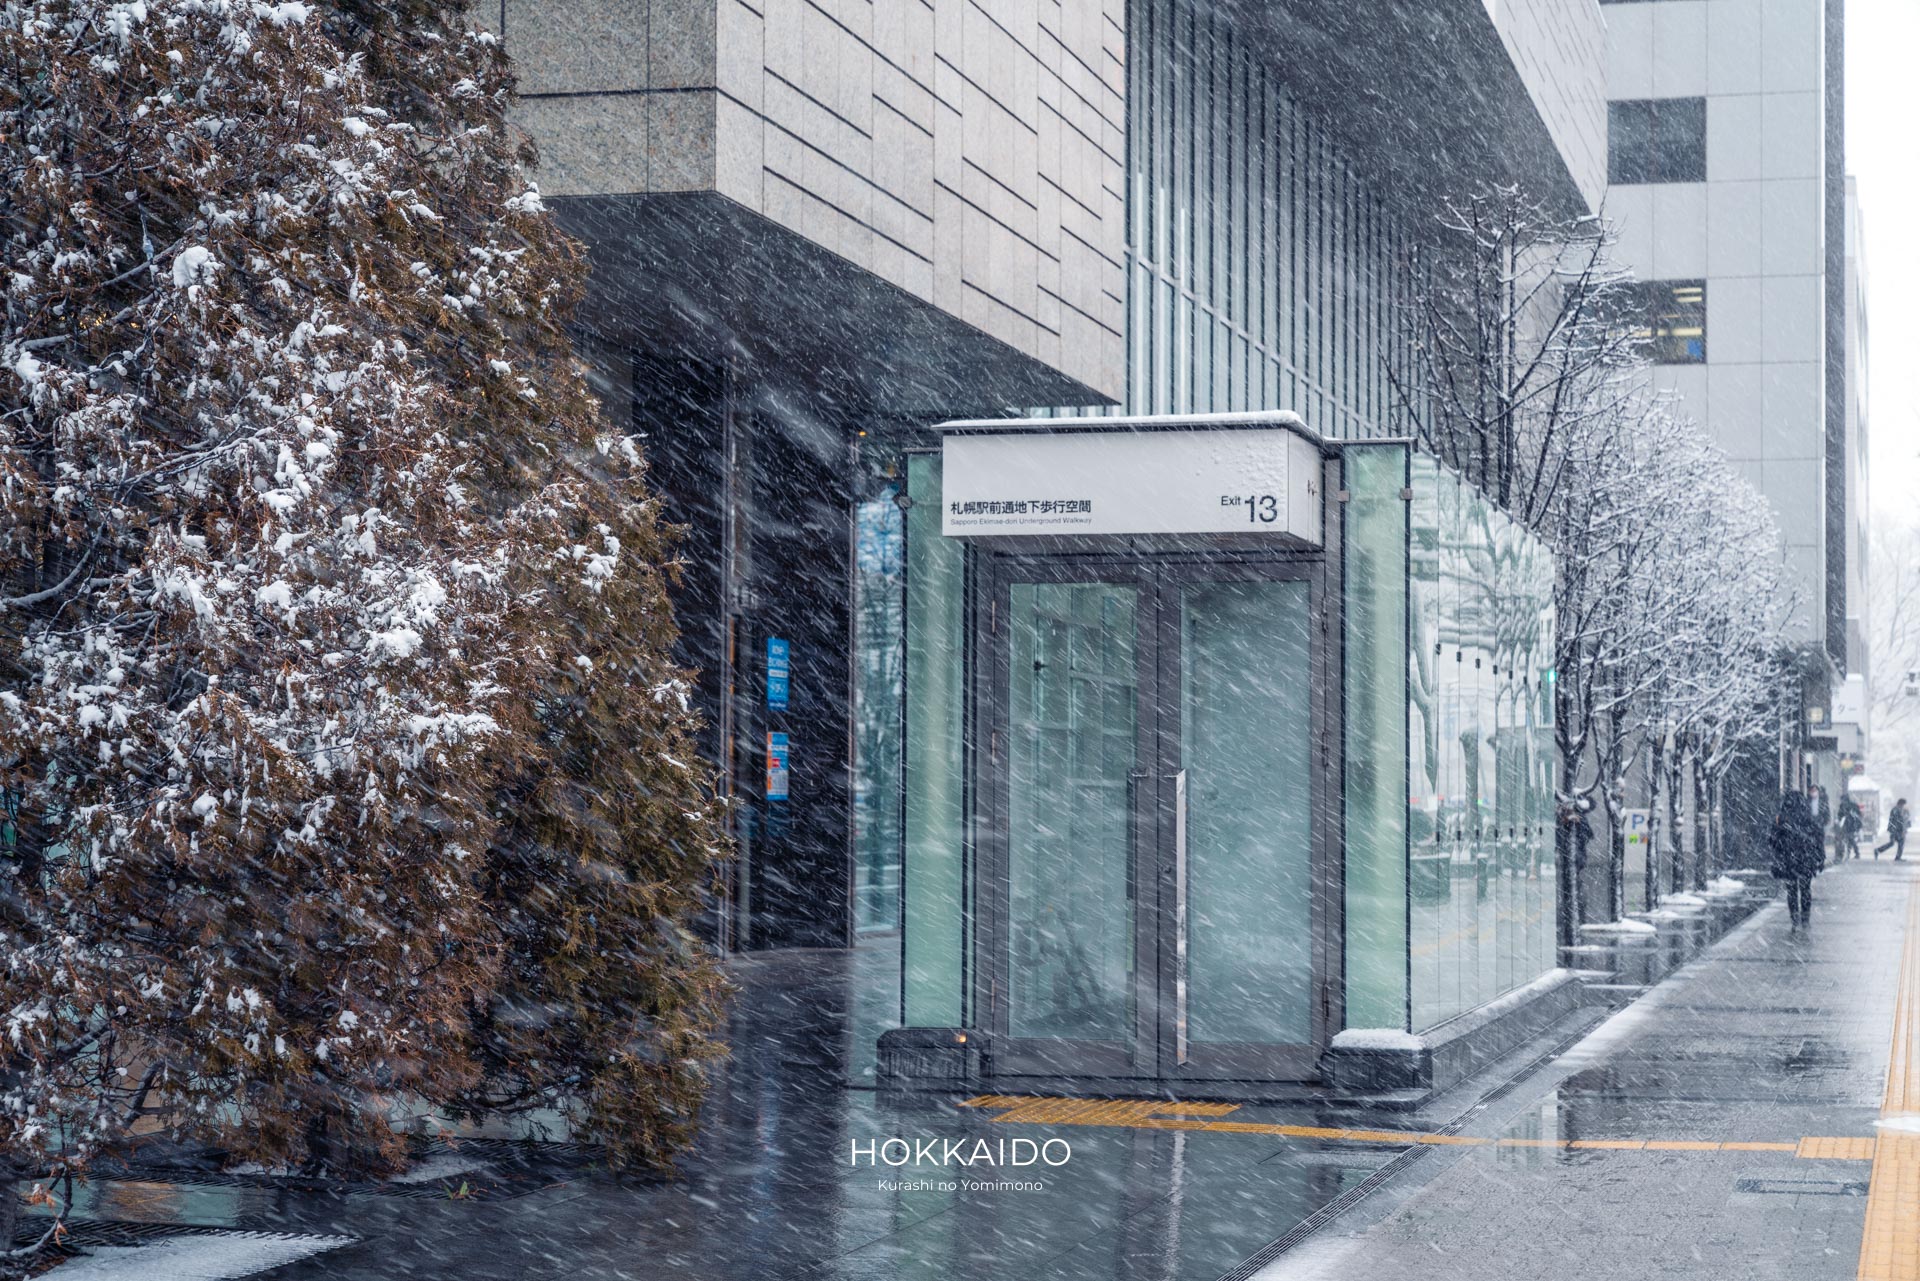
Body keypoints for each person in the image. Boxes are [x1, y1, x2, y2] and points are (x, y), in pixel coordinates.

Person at [1770, 792, 1825, 928]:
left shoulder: (1782, 818)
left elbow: (1773, 840)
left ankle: (1794, 918)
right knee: (1805, 889)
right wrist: (1820, 857)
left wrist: (1779, 853)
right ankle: (1805, 918)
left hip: (1789, 860)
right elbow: (1818, 838)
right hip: (1806, 859)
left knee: (1792, 890)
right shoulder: (1809, 818)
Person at [1840, 793, 1864, 860]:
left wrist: (1852, 815)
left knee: (1850, 839)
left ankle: (1854, 853)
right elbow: (1840, 814)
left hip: (1852, 824)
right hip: (1848, 824)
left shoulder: (1851, 805)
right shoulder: (1843, 806)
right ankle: (1853, 853)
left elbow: (1858, 814)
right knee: (1850, 839)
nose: (1842, 801)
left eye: (1843, 800)